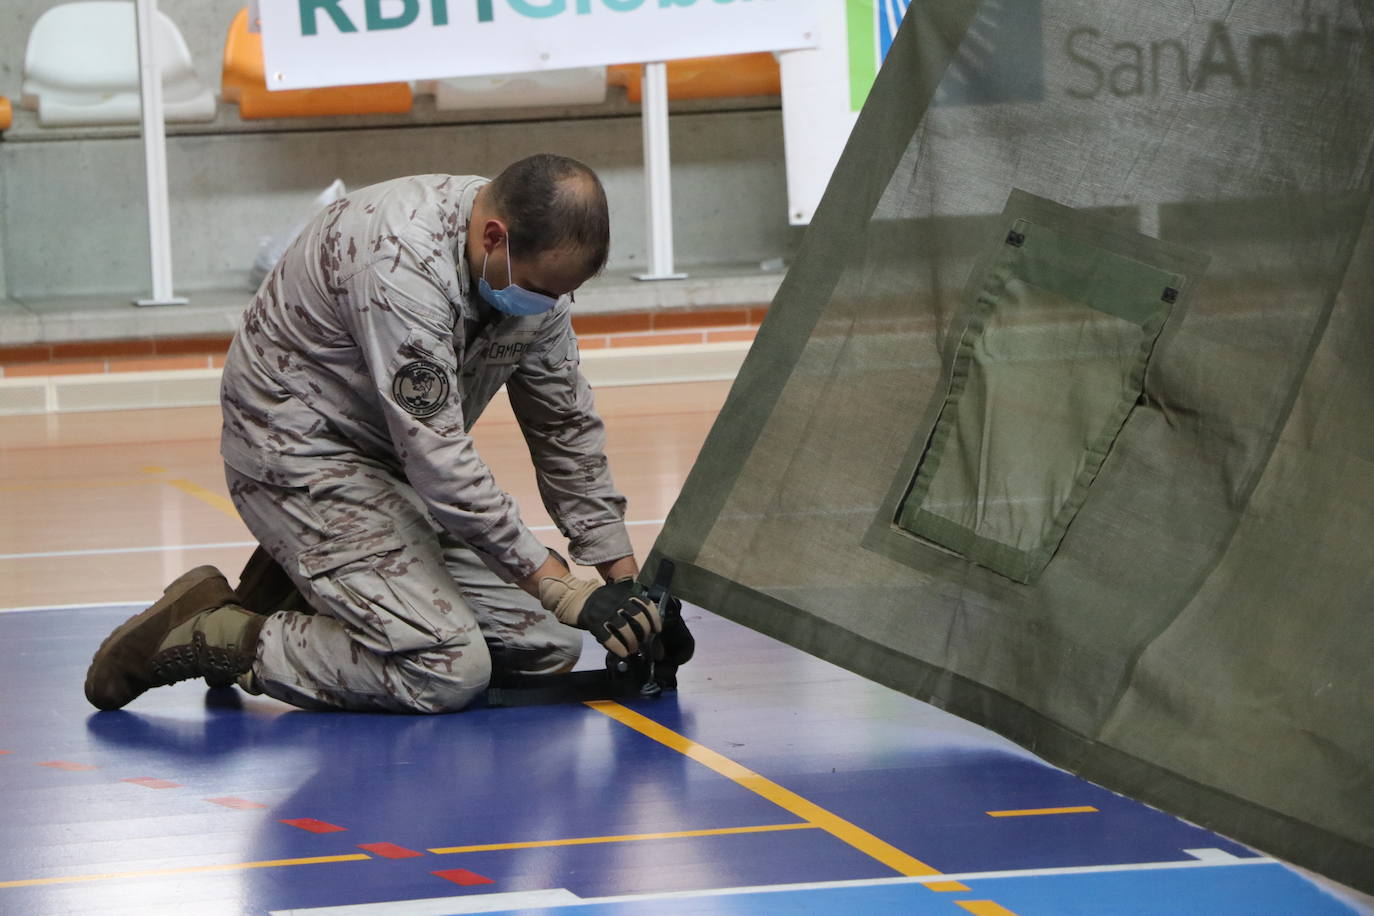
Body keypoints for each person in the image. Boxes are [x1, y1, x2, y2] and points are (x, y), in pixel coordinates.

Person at [85, 154, 669, 714]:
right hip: (297, 455)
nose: (549, 305)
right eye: (543, 290)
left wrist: (628, 584)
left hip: (388, 464)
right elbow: (438, 459)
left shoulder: (530, 269)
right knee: (445, 669)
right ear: (494, 238)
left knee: (546, 646)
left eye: (563, 294)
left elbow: (563, 426)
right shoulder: (400, 261)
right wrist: (560, 585)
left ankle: (311, 582)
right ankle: (216, 631)